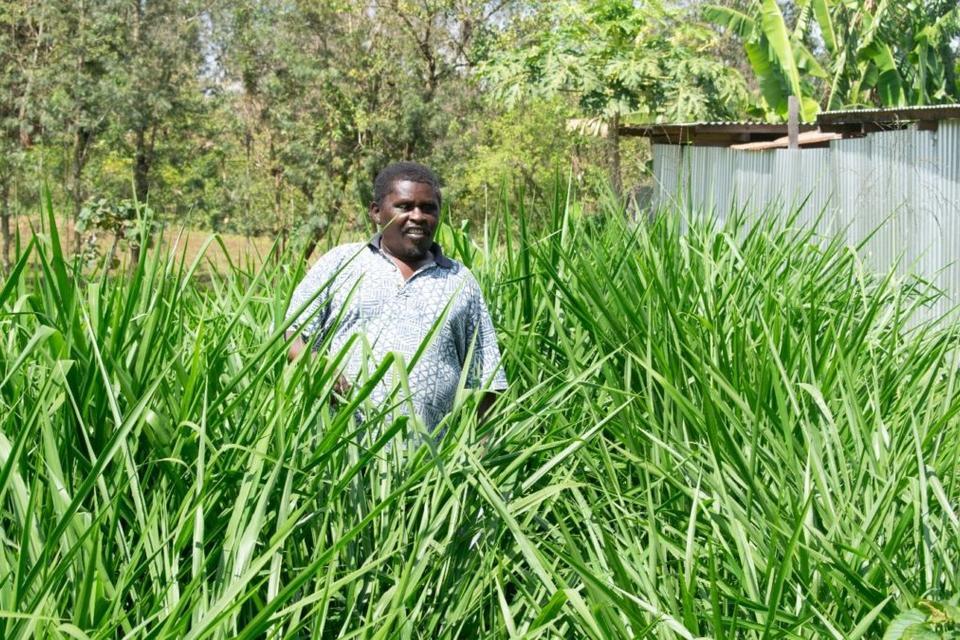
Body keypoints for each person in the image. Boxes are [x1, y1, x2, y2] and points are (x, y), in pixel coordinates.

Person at [284, 162, 507, 433]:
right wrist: (319, 367)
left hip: (430, 463)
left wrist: (484, 452)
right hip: (341, 453)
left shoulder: (460, 280)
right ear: (376, 212)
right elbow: (290, 334)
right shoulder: (341, 263)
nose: (418, 216)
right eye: (404, 206)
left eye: (428, 208)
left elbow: (486, 379)